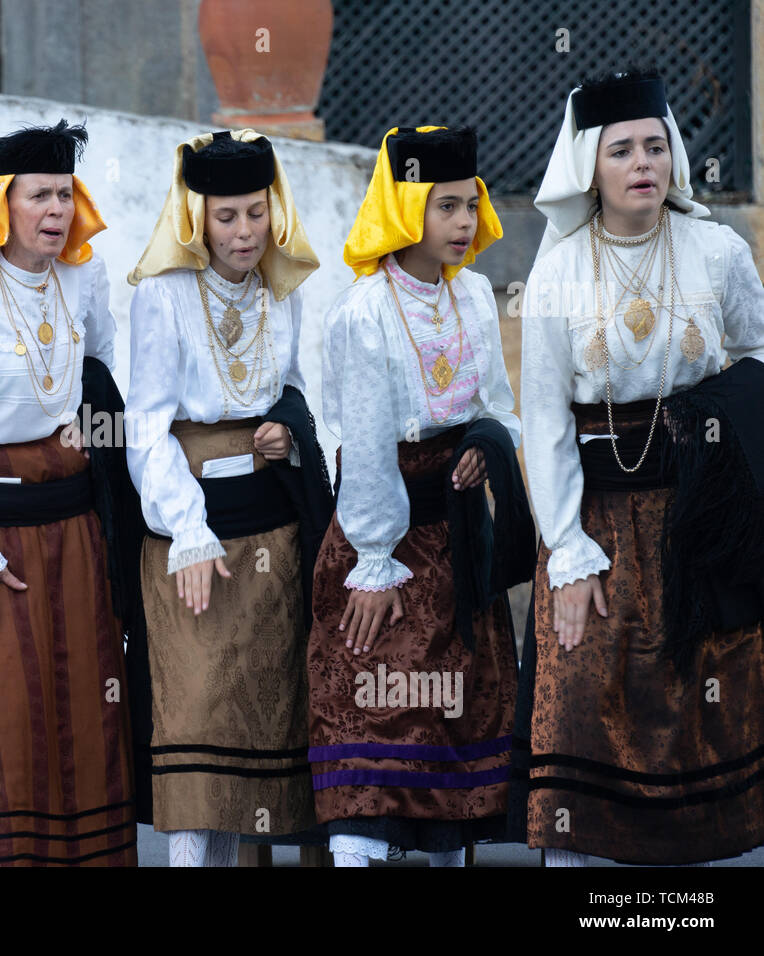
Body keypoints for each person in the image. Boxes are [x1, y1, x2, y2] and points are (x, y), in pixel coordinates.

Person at [514, 69, 764, 866]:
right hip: (595, 520)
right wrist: (568, 551)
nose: (642, 163)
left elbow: (758, 355)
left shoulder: (717, 251)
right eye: (621, 150)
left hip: (698, 516)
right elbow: (544, 419)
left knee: (703, 707)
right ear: (591, 165)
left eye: (655, 145)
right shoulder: (556, 272)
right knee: (584, 700)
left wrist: (715, 435)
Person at [306, 126, 531, 867]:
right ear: (405, 212)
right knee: (378, 705)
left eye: (471, 206)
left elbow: (498, 405)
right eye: (444, 208)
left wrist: (482, 446)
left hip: (455, 537)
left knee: (455, 716)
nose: (464, 224)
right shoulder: (364, 313)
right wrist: (372, 562)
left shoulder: (470, 294)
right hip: (385, 536)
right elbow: (364, 445)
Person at [0, 119, 137, 866]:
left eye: (64, 194)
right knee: (5, 713)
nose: (56, 211)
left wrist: (98, 440)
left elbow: (110, 380)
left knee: (87, 708)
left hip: (75, 531)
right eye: (37, 196)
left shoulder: (87, 279)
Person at [125, 129, 331, 867]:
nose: (244, 233)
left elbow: (300, 392)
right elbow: (144, 429)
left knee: (267, 725)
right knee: (198, 722)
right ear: (195, 219)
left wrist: (288, 433)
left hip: (274, 535)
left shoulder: (284, 287)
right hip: (192, 543)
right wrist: (188, 530)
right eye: (226, 216)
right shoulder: (162, 296)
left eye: (255, 213)